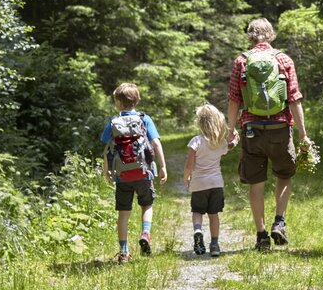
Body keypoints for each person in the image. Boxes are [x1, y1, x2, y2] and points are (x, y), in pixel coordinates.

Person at [226, 17, 313, 251]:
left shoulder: (241, 61)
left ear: (250, 36)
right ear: (271, 34)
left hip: (252, 127)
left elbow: (234, 99)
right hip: (280, 127)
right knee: (284, 174)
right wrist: (302, 134)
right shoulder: (284, 59)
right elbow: (294, 99)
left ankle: (261, 235)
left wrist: (230, 129)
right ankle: (279, 222)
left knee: (256, 181)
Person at [100, 83, 168, 263]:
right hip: (144, 172)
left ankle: (124, 252)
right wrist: (162, 166)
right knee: (147, 205)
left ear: (118, 103)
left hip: (122, 176)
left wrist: (106, 169)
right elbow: (156, 143)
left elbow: (107, 147)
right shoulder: (144, 119)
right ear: (136, 101)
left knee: (123, 213)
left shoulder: (113, 123)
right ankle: (145, 233)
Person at [184, 103, 235, 257]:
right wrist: (235, 141)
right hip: (216, 184)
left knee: (197, 211)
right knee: (214, 215)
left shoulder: (196, 141)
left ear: (200, 123)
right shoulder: (220, 143)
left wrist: (186, 177)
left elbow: (189, 164)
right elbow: (229, 147)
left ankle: (198, 230)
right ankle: (214, 244)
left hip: (199, 184)